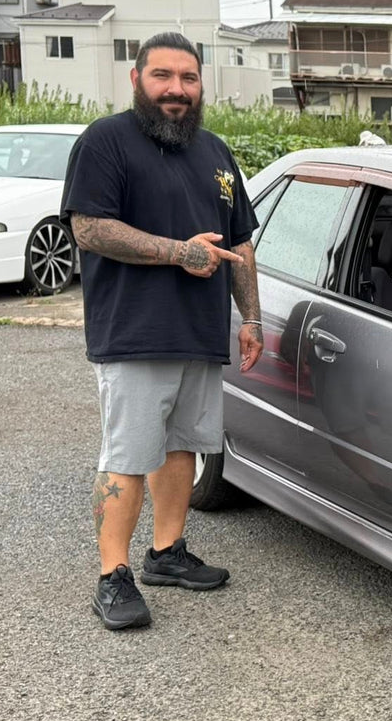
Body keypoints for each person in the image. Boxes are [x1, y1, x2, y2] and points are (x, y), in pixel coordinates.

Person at [62, 31, 262, 630]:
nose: (177, 89)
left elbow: (240, 243)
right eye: (163, 76)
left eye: (189, 78)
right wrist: (178, 252)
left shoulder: (217, 152)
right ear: (137, 80)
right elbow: (90, 229)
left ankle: (166, 553)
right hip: (135, 333)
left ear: (201, 85)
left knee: (182, 450)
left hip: (200, 333)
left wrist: (249, 318)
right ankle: (112, 575)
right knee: (127, 454)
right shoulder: (106, 142)